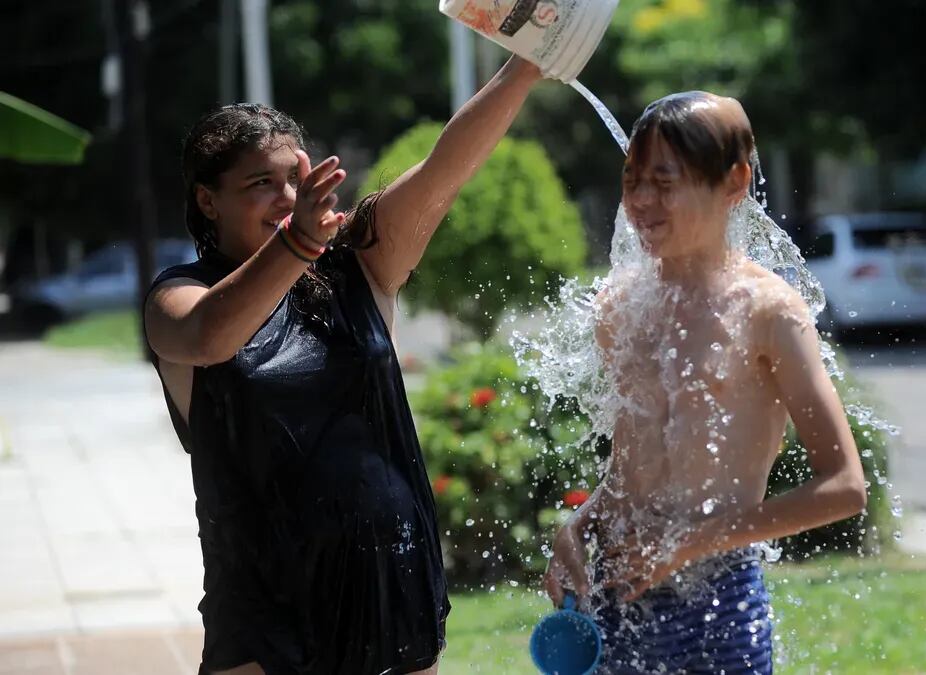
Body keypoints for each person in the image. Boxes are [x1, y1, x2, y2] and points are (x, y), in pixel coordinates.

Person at [144, 56, 542, 675]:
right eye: (260, 185)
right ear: (208, 199)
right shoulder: (179, 297)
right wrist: (296, 241)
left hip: (390, 582)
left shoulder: (357, 263)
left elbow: (444, 170)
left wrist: (525, 69)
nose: (285, 199)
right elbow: (211, 338)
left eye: (294, 181)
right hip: (265, 610)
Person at [542, 92, 869, 674]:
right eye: (632, 180)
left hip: (717, 613)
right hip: (617, 602)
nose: (641, 202)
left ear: (734, 182)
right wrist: (582, 523)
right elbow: (634, 468)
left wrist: (687, 545)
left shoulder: (768, 311)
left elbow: (844, 486)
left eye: (663, 183)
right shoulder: (620, 304)